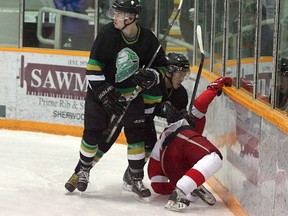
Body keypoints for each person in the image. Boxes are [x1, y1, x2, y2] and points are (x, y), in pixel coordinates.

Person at [64, 0, 167, 199]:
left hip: (132, 95)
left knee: (137, 136)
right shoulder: (107, 34)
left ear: (132, 17)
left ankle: (136, 178)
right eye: (115, 12)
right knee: (93, 133)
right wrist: (104, 93)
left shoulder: (147, 39)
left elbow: (161, 67)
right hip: (100, 95)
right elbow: (92, 68)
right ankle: (83, 170)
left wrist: (152, 75)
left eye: (119, 14)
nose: (115, 17)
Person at [147, 75, 233, 211]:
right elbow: (199, 104)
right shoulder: (188, 125)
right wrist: (214, 87)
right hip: (182, 139)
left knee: (192, 188)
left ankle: (187, 186)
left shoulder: (163, 136)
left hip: (171, 163)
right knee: (215, 158)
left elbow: (157, 184)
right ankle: (180, 192)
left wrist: (172, 185)